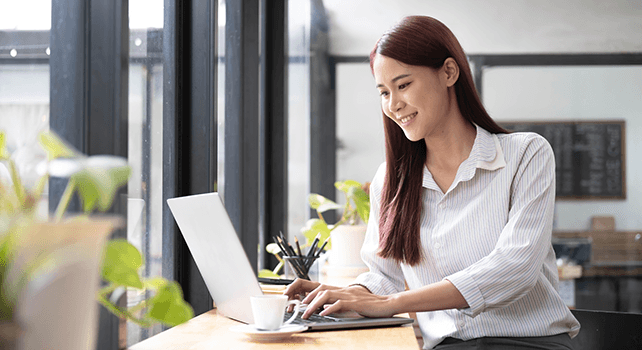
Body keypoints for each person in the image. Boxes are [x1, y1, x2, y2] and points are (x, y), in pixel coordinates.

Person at [284, 15, 580, 349]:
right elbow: (385, 277)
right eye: (383, 92)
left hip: (531, 343)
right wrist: (341, 298)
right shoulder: (391, 180)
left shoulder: (526, 154)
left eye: (403, 85)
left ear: (449, 72)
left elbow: (515, 268)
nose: (393, 105)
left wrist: (391, 304)